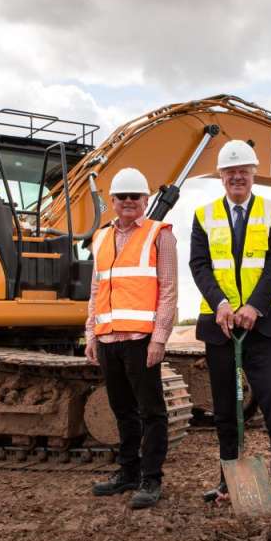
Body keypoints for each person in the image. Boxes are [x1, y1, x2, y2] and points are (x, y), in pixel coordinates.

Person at [189, 139, 271, 513]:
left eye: (243, 171)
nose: (237, 176)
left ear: (253, 174)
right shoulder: (204, 216)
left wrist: (255, 305)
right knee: (225, 408)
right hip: (220, 328)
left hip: (265, 327)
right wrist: (220, 304)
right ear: (220, 176)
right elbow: (199, 265)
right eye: (230, 171)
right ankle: (228, 479)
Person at [85, 167, 178, 510]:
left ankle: (151, 479)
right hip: (109, 339)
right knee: (122, 410)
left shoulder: (160, 235)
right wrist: (91, 332)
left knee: (152, 412)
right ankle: (128, 472)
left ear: (146, 200)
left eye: (134, 196)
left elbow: (168, 290)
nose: (128, 202)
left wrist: (159, 339)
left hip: (141, 340)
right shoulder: (100, 238)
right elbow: (97, 289)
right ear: (111, 202)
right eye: (122, 197)